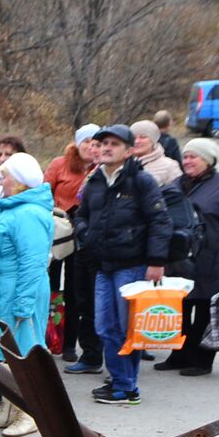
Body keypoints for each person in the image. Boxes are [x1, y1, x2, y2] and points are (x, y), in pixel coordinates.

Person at [74, 124, 173, 405]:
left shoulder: (141, 181)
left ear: (128, 151)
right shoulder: (95, 181)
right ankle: (122, 382)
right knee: (105, 326)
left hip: (132, 265)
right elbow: (81, 215)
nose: (106, 148)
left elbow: (160, 221)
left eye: (114, 144)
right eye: (103, 143)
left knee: (126, 328)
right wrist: (86, 234)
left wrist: (156, 261)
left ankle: (125, 386)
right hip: (103, 265)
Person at [0, 153, 54, 437]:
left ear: (19, 181)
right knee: (8, 353)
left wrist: (24, 304)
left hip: (18, 293)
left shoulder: (29, 214)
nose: (1, 181)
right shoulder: (11, 208)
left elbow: (33, 262)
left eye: (5, 176)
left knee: (25, 352)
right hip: (1, 291)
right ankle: (9, 408)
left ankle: (30, 414)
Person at [158, 139, 219, 376]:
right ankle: (179, 355)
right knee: (180, 309)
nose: (187, 161)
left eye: (193, 157)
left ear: (208, 160)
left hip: (213, 258)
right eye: (185, 157)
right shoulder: (176, 184)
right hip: (180, 259)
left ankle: (201, 360)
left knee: (206, 311)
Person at [50, 124, 104, 372]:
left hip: (82, 235)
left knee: (75, 289)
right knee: (51, 286)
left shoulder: (99, 169)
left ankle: (70, 343)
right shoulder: (60, 164)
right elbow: (44, 191)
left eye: (95, 143)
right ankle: (51, 337)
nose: (91, 147)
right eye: (86, 142)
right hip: (58, 230)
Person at [131, 119, 183, 186]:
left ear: (153, 141)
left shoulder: (169, 166)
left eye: (143, 137)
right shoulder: (127, 165)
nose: (137, 141)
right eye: (134, 138)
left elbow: (179, 190)